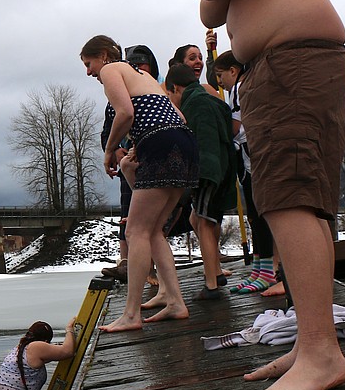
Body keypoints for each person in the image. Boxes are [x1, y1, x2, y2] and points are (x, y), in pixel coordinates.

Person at [193, 0, 345, 390]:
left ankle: (321, 352)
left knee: (290, 199)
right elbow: (211, 10)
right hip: (284, 66)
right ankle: (314, 340)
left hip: (294, 63)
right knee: (294, 199)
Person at [82, 35, 198, 331]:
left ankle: (131, 314)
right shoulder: (143, 75)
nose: (89, 72)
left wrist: (109, 150)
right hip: (184, 142)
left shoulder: (112, 69)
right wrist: (139, 146)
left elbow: (126, 113)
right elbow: (179, 115)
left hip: (160, 144)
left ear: (105, 55)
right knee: (153, 231)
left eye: (89, 63)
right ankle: (175, 301)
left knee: (135, 232)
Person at [165, 63, 237, 300]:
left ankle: (212, 285)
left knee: (204, 222)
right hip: (224, 168)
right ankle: (216, 271)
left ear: (175, 87)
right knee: (196, 217)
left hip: (207, 171)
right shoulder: (212, 100)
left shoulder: (195, 104)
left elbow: (200, 141)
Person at [216, 49, 279, 293]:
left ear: (233, 70)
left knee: (262, 214)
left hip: (255, 156)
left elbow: (236, 126)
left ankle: (268, 270)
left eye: (221, 75)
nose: (219, 81)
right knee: (254, 215)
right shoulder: (235, 90)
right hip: (245, 158)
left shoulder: (242, 88)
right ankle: (260, 267)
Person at [101, 44, 162, 284]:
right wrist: (114, 150)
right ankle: (126, 262)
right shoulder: (115, 98)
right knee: (128, 213)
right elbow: (107, 130)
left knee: (152, 219)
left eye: (143, 66)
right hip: (127, 165)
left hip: (153, 160)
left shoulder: (155, 91)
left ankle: (150, 266)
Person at [0, 318, 78, 390]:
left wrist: (57, 347)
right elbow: (68, 352)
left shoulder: (21, 348)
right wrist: (69, 329)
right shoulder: (36, 347)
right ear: (46, 341)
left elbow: (55, 353)